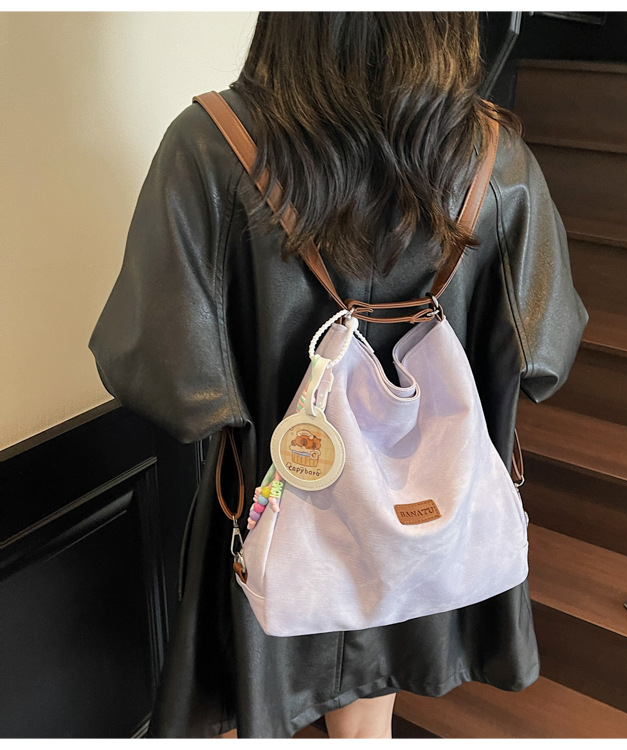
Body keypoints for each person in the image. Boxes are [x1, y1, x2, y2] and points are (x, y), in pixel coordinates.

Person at [88, 11, 588, 739]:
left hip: (274, 508)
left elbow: (156, 368)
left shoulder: (208, 145)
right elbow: (546, 352)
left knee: (255, 695)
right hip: (422, 520)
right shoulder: (494, 157)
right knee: (367, 722)